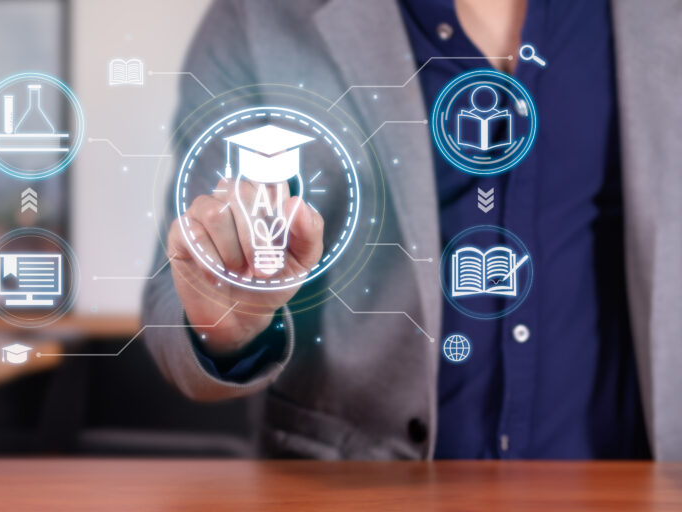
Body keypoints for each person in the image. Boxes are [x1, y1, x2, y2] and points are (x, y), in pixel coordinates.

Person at [143, 0, 682, 460]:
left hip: (625, 487)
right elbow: (176, 291)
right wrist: (225, 325)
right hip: (356, 487)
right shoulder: (262, 16)